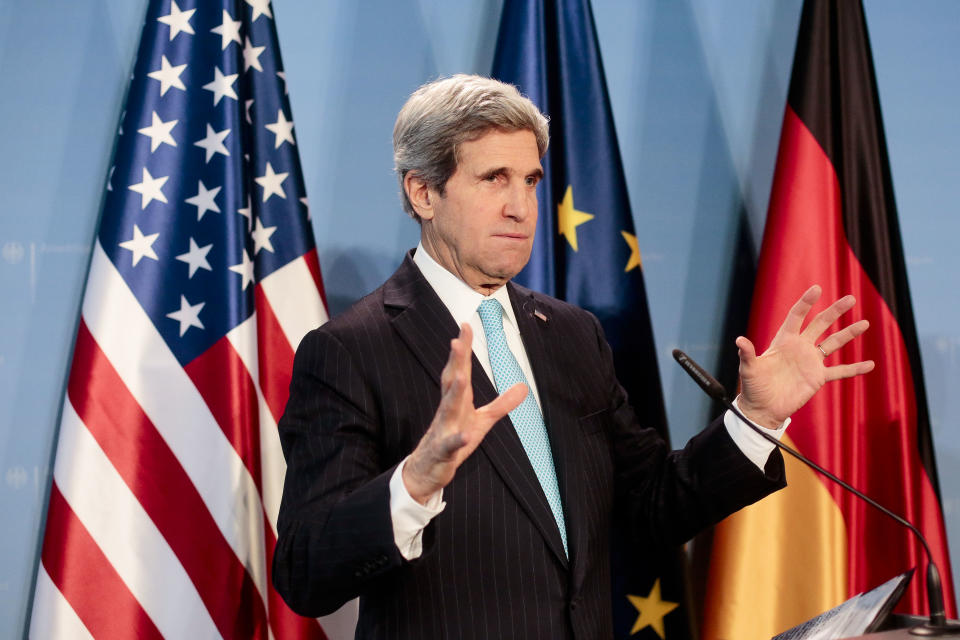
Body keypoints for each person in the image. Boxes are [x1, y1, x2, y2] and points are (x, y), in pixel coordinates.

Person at [272, 74, 874, 639]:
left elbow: (651, 508)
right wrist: (416, 482)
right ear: (423, 192)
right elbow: (305, 572)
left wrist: (755, 419)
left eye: (530, 180)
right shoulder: (351, 350)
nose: (520, 206)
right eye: (493, 179)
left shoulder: (569, 334)